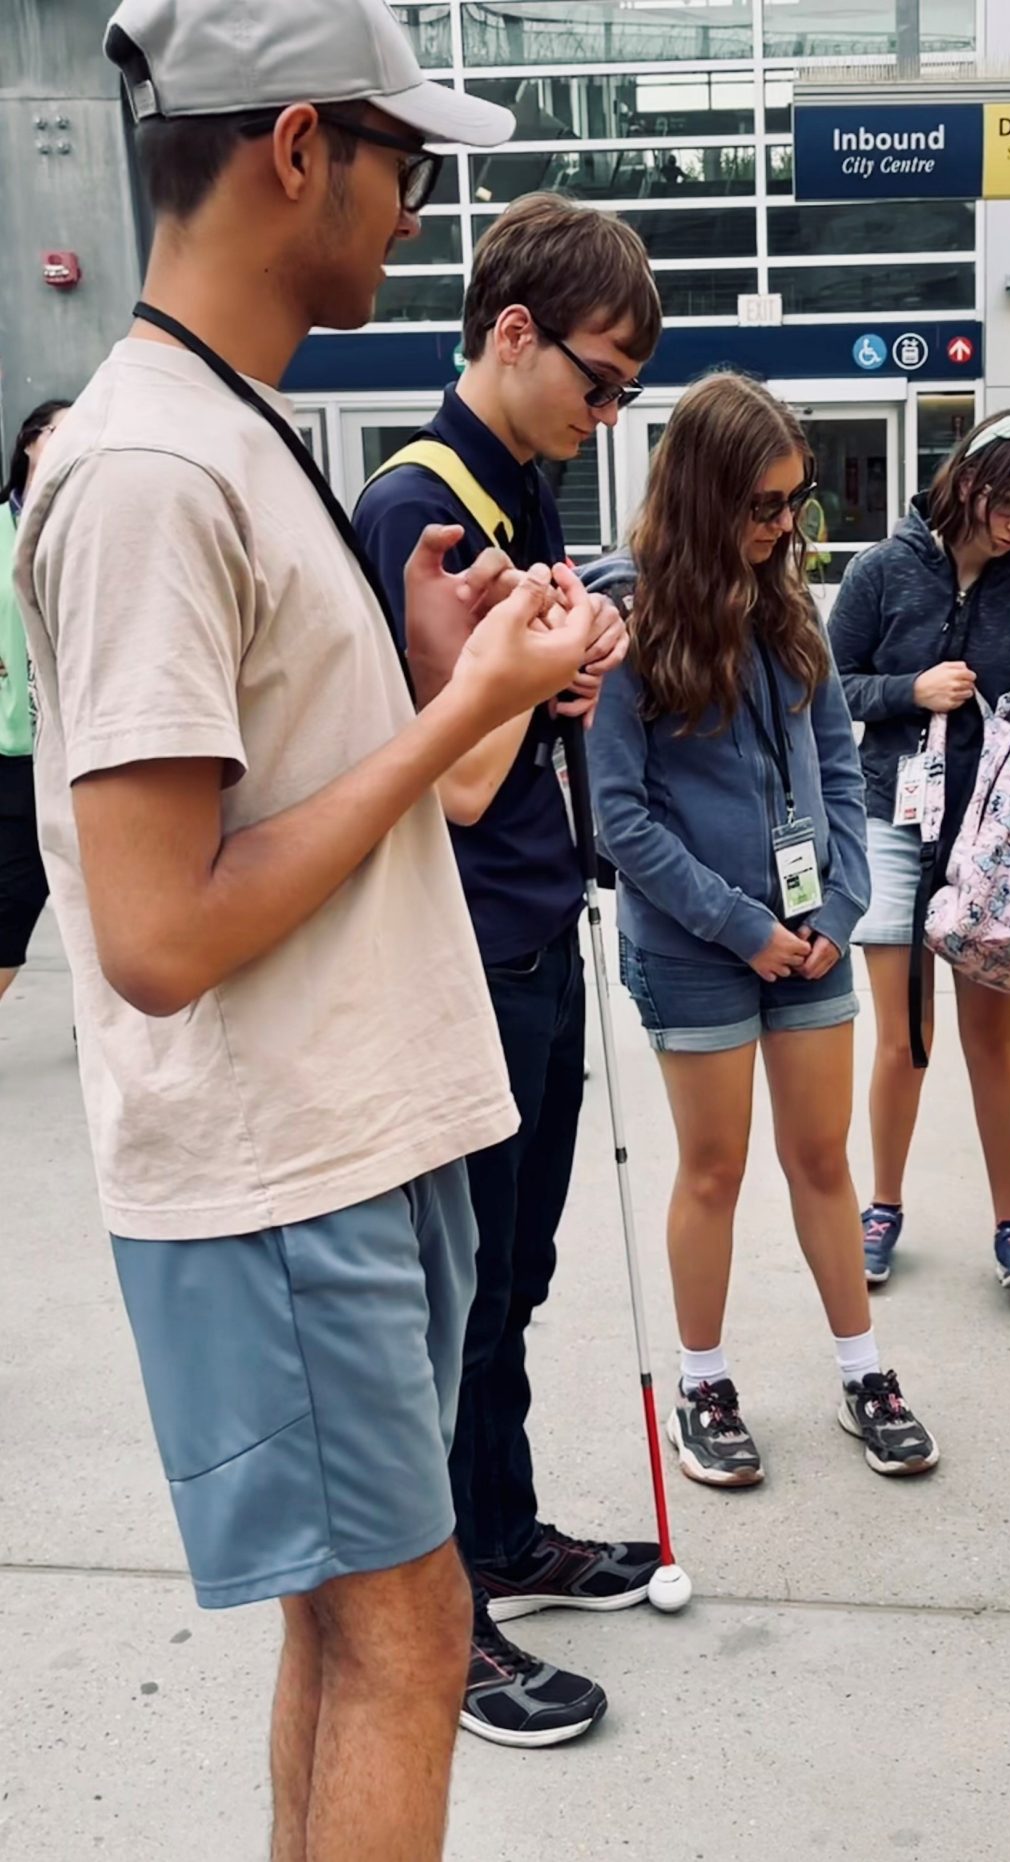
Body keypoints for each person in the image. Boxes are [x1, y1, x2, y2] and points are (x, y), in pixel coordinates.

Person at [13, 3, 602, 1855]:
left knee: (353, 1630)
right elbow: (155, 932)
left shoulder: (229, 436)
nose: (419, 210)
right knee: (405, 1631)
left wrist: (440, 693)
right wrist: (446, 712)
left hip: (342, 1146)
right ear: (294, 150)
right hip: (283, 1174)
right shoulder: (147, 474)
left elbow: (333, 814)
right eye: (404, 163)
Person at [353, 193, 662, 1749]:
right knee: (459, 1300)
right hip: (465, 947)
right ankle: (450, 1619)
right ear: (514, 332)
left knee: (513, 1278)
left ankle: (507, 1532)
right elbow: (448, 773)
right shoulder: (426, 505)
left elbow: (516, 724)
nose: (605, 414)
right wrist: (542, 677)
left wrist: (568, 672)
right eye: (596, 379)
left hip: (531, 931)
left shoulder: (517, 488)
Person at [586, 372, 938, 1490]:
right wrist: (741, 925)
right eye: (762, 504)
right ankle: (703, 1383)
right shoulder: (629, 623)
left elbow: (840, 768)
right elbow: (620, 816)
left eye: (794, 504)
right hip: (696, 948)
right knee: (715, 1166)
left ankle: (864, 1371)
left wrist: (834, 909)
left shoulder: (794, 613)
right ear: (701, 495)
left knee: (822, 1155)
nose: (784, 526)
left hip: (812, 940)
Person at [827, 410, 1010, 1292]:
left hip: (997, 840)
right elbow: (831, 692)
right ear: (966, 478)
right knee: (905, 1038)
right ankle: (883, 1208)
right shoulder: (880, 571)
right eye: (1008, 503)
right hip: (892, 825)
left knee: (993, 1037)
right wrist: (914, 689)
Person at [1, 398, 69, 1004]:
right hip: (11, 744)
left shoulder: (81, 525)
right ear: (28, 442)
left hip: (76, 742)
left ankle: (99, 1023)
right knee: (16, 894)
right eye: (59, 431)